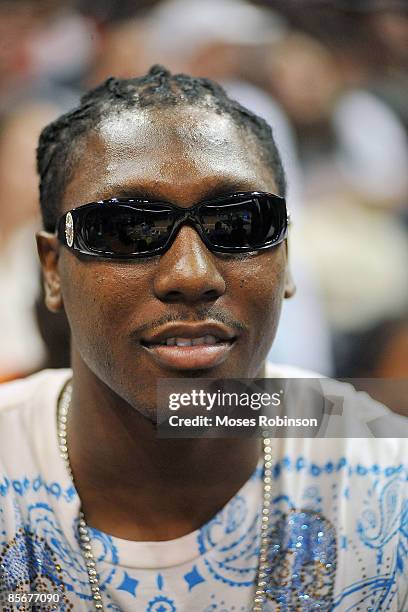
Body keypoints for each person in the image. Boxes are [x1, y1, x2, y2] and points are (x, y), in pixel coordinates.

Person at [0, 66, 406, 611]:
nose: (191, 275)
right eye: (128, 229)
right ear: (52, 270)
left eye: (240, 223)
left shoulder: (387, 476)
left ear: (286, 260)